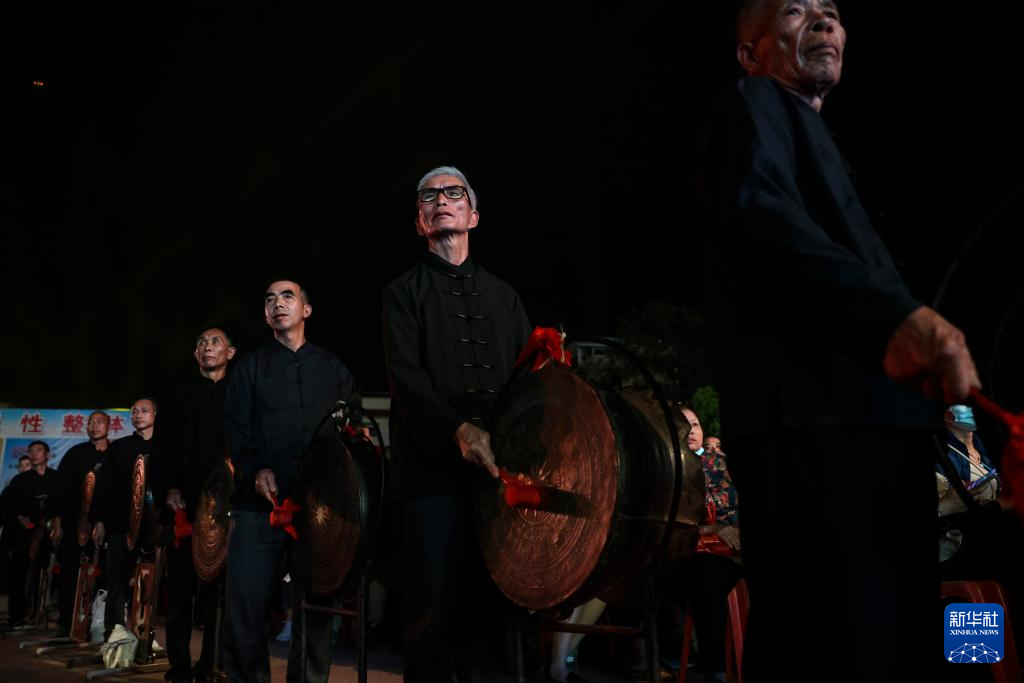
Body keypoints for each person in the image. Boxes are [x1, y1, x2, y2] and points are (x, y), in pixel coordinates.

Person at [698, 1, 980, 680]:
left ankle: (982, 658)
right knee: (834, 645)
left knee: (899, 640)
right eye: (795, 11)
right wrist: (897, 319)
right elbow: (766, 225)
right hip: (816, 425)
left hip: (877, 427)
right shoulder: (756, 104)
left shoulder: (818, 140)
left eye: (830, 11)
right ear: (751, 53)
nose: (823, 21)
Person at [382, 165, 531, 682]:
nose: (441, 200)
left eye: (453, 192)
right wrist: (457, 430)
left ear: (473, 214)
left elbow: (527, 382)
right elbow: (406, 379)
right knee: (433, 613)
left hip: (497, 478)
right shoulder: (402, 293)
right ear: (420, 222)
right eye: (429, 196)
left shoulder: (505, 296)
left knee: (494, 614)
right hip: (430, 477)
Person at [224, 280, 357, 683]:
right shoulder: (250, 368)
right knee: (246, 606)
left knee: (315, 608)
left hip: (318, 510)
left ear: (306, 310)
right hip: (258, 509)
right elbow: (235, 431)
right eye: (270, 299)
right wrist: (254, 469)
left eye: (287, 297)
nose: (277, 304)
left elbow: (350, 429)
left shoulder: (333, 368)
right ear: (266, 315)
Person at [159, 327, 236, 683]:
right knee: (180, 591)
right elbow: (164, 446)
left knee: (219, 593)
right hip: (185, 505)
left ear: (230, 353)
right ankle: (179, 667)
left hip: (226, 506)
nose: (207, 347)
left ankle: (212, 664)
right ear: (195, 355)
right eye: (201, 343)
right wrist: (170, 488)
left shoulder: (240, 392)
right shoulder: (178, 395)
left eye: (215, 341)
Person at [91, 397, 167, 637]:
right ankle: (114, 634)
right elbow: (104, 487)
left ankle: (144, 635)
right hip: (120, 523)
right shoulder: (119, 447)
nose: (138, 415)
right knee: (116, 579)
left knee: (151, 580)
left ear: (155, 414)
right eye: (134, 411)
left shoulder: (166, 446)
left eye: (144, 410)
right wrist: (100, 522)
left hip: (156, 525)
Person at [683, 407, 741, 683]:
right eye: (684, 424)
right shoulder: (672, 470)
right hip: (702, 552)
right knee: (706, 577)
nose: (691, 430)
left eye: (695, 424)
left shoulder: (721, 463)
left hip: (740, 545)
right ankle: (715, 671)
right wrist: (714, 528)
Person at [48, 411, 110, 636]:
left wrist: (103, 522)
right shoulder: (75, 453)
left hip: (106, 525)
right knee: (70, 574)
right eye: (90, 422)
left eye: (99, 422)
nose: (94, 426)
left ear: (108, 426)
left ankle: (98, 625)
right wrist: (57, 523)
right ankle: (68, 623)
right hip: (73, 523)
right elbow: (60, 490)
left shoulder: (115, 454)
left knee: (104, 575)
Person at [1, 441, 58, 626]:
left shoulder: (56, 478)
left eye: (38, 450)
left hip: (49, 535)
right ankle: (17, 615)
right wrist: (18, 516)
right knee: (19, 574)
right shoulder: (20, 480)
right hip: (24, 534)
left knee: (47, 573)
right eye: (31, 451)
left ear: (47, 455)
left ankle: (41, 612)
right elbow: (6, 503)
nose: (34, 454)